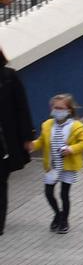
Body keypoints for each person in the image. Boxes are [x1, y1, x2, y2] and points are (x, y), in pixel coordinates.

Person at [30, 92, 83, 236]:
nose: (57, 110)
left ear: (69, 110)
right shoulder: (47, 125)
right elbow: (42, 141)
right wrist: (32, 145)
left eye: (61, 108)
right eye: (55, 107)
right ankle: (57, 214)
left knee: (64, 194)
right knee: (48, 193)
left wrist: (71, 149)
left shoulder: (76, 126)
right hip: (52, 165)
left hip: (67, 166)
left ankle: (64, 221)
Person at [0, 49, 34, 237]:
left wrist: (27, 137)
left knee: (1, 181)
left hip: (5, 141)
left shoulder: (9, 77)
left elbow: (22, 107)